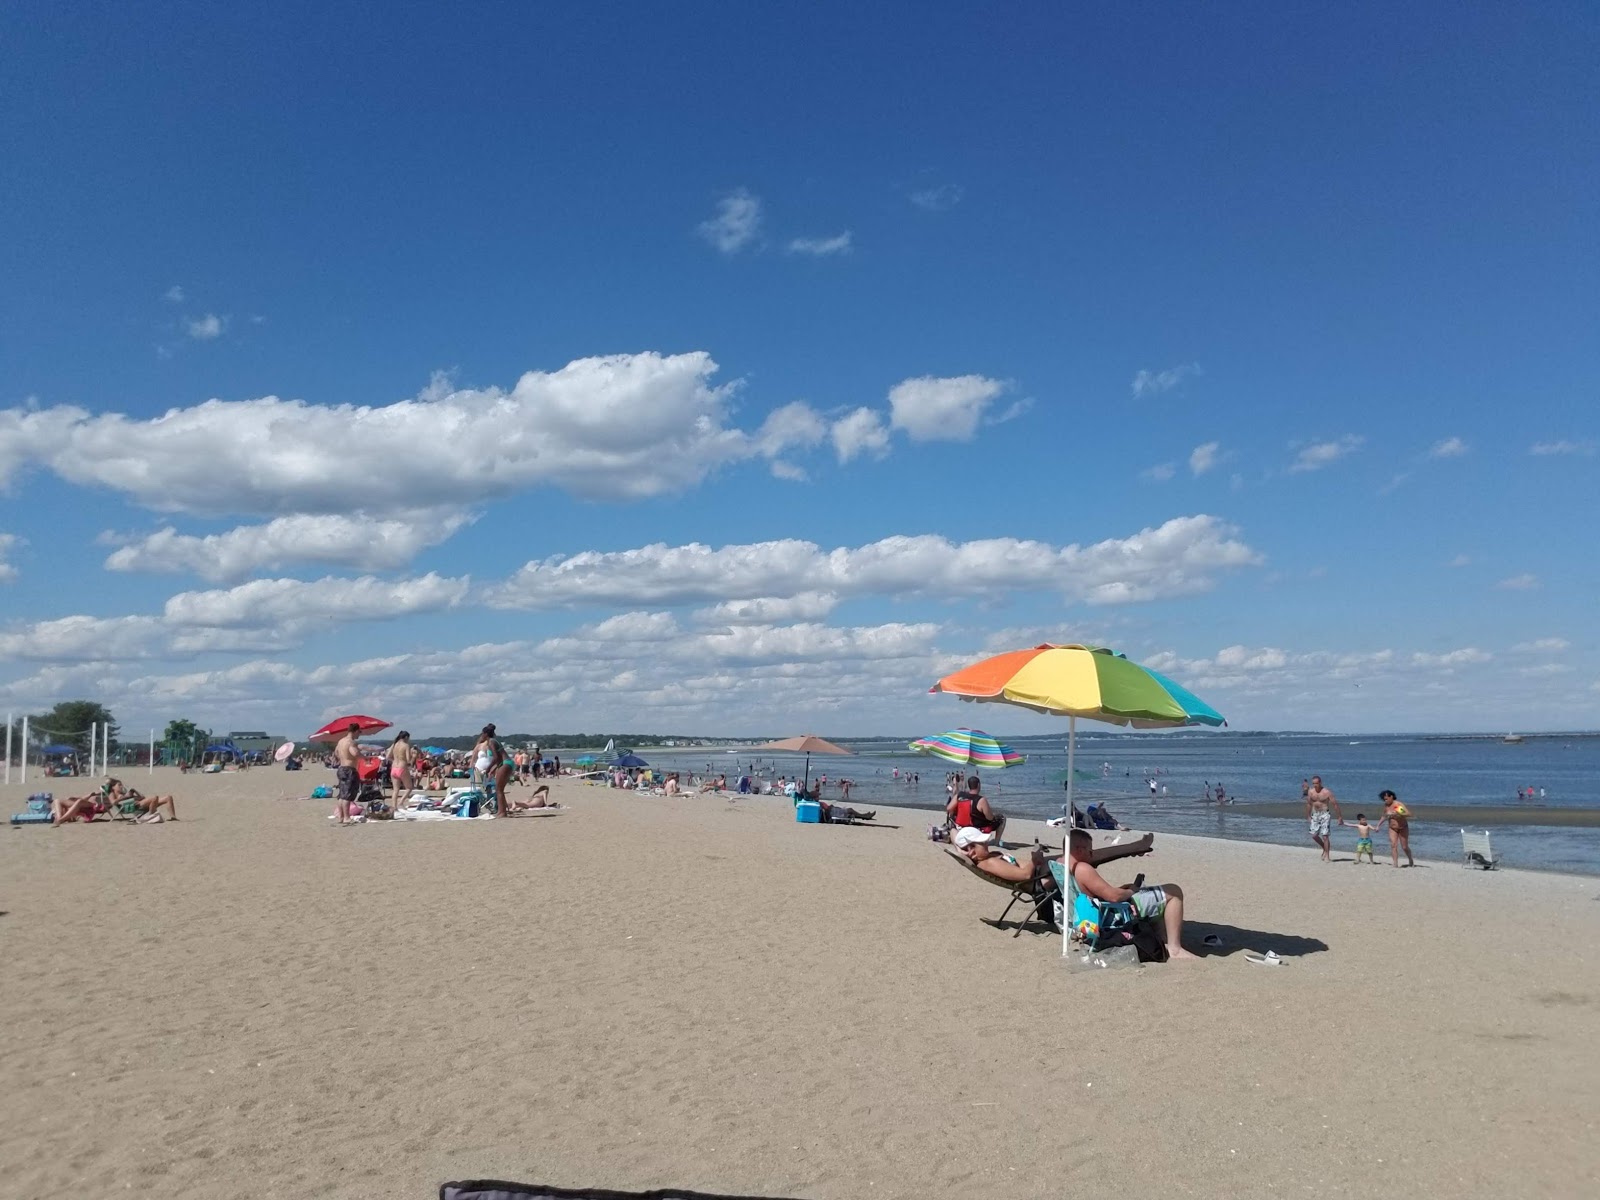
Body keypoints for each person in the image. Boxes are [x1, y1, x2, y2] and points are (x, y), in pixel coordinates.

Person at [1067, 828, 1197, 960]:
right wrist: (1132, 890)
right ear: (1079, 850)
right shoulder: (1082, 868)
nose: (1092, 854)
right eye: (1090, 850)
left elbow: (1093, 893)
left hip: (1087, 913)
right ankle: (1175, 948)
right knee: (1174, 892)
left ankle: (1162, 940)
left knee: (1154, 895)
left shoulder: (1063, 865)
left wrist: (1122, 888)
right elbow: (1114, 897)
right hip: (1113, 913)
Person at [947, 774, 1005, 843]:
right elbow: (990, 818)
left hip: (961, 825)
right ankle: (996, 842)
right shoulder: (981, 800)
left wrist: (958, 813)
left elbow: (949, 808)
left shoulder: (960, 795)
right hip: (977, 827)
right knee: (1002, 818)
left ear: (969, 786)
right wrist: (993, 815)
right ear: (978, 785)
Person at [1305, 774, 1343, 862]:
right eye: (1313, 783)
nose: (1315, 785)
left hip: (1325, 814)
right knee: (1314, 836)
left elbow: (1335, 805)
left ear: (1320, 782)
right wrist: (1308, 815)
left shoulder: (1327, 792)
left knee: (1325, 836)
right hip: (1315, 814)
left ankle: (1327, 856)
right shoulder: (1311, 792)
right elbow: (1309, 803)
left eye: (1316, 783)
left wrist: (1339, 817)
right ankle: (1324, 848)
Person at [333, 721, 362, 826]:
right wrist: (364, 757)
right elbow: (354, 753)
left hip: (341, 768)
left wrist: (342, 757)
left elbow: (336, 752)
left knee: (342, 794)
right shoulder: (351, 742)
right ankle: (346, 817)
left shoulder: (341, 741)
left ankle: (341, 816)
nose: (360, 734)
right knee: (347, 795)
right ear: (355, 731)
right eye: (359, 731)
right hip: (349, 769)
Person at [1377, 790, 1414, 867]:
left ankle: (1410, 859)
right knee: (1393, 845)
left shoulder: (1397, 805)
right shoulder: (1386, 806)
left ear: (1391, 797)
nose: (1385, 800)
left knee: (1404, 847)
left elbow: (1408, 814)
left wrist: (1398, 814)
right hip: (1392, 828)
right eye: (1384, 799)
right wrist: (1378, 825)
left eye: (1386, 799)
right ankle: (1395, 863)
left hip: (1402, 827)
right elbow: (1384, 816)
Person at [388, 730, 414, 802]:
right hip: (402, 767)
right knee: (409, 788)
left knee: (395, 790)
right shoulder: (406, 745)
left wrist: (394, 760)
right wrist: (413, 758)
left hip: (394, 767)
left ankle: (394, 807)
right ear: (406, 737)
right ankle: (401, 802)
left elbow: (387, 756)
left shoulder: (394, 744)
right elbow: (408, 759)